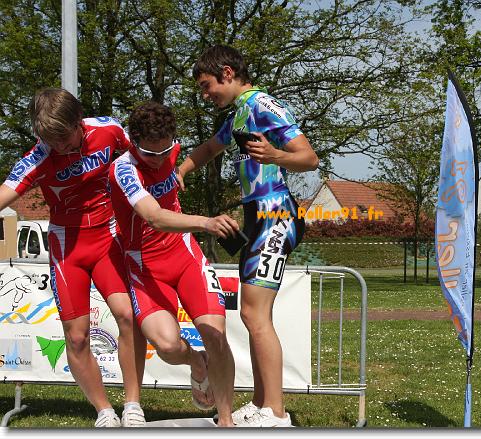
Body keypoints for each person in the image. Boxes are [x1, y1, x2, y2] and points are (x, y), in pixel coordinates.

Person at [176, 44, 319, 427]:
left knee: (256, 315)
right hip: (257, 217)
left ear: (227, 73)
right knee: (253, 314)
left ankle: (276, 413)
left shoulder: (263, 105)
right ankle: (260, 403)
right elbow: (210, 147)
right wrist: (180, 170)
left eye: (206, 86)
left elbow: (309, 158)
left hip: (276, 214)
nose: (205, 95)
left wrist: (276, 156)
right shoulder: (239, 113)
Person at [0, 88, 146, 427]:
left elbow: (143, 156)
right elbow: (6, 192)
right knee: (77, 336)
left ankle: (133, 404)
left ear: (79, 121)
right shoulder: (40, 156)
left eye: (65, 138)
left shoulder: (108, 129)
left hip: (107, 235)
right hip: (68, 246)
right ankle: (104, 411)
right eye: (51, 141)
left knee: (128, 315)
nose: (60, 147)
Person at [108, 101, 239, 427]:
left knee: (216, 336)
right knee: (167, 346)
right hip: (145, 267)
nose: (158, 159)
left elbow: (203, 150)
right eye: (149, 153)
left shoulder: (171, 149)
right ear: (134, 141)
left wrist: (179, 171)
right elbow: (154, 216)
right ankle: (196, 362)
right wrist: (205, 222)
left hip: (184, 256)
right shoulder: (123, 170)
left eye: (165, 151)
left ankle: (227, 422)